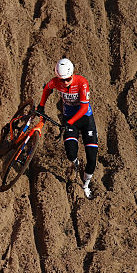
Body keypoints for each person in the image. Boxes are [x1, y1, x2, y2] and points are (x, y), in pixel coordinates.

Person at [37, 58, 99, 199]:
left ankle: (85, 185)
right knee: (71, 153)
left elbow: (83, 108)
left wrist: (69, 122)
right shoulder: (55, 82)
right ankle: (76, 163)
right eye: (62, 80)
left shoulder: (82, 83)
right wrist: (41, 105)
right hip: (70, 120)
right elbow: (47, 89)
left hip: (85, 119)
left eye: (68, 79)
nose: (65, 83)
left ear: (73, 74)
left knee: (92, 159)